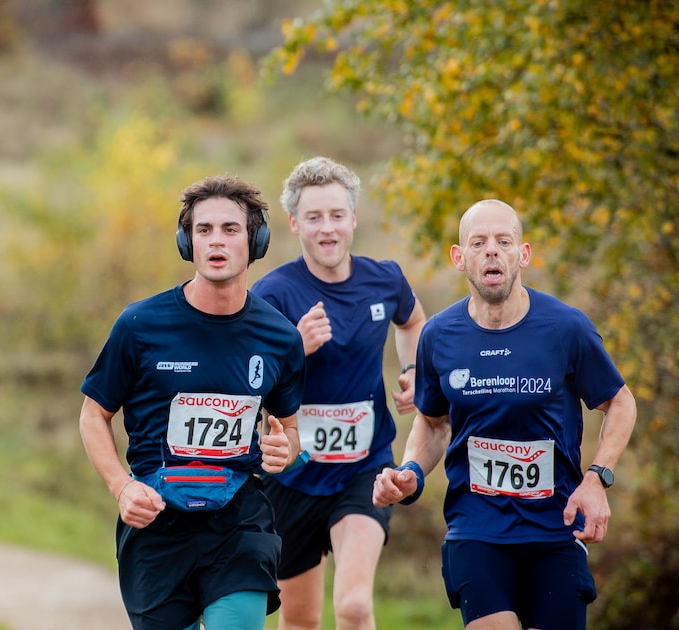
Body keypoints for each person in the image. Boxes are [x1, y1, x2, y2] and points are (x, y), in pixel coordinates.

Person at [373, 199, 637, 629]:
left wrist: (597, 479)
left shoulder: (565, 328)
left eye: (503, 241)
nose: (491, 250)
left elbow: (621, 402)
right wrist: (410, 473)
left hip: (556, 529)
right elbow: (434, 422)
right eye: (478, 242)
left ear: (523, 254)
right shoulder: (439, 335)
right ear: (460, 258)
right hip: (476, 529)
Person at [79, 174, 307, 630]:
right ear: (187, 242)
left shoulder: (281, 337)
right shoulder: (140, 325)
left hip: (239, 523)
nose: (216, 241)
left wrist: (287, 450)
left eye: (230, 229)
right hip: (157, 522)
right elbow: (93, 415)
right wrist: (121, 487)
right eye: (203, 230)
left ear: (255, 240)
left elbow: (290, 430)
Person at [251, 156, 427, 630]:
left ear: (352, 218)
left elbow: (412, 322)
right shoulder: (272, 295)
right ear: (294, 224)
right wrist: (295, 350)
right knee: (301, 620)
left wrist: (413, 369)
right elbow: (249, 387)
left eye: (335, 215)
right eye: (313, 217)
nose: (326, 229)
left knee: (352, 606)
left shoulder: (384, 279)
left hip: (363, 468)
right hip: (291, 476)